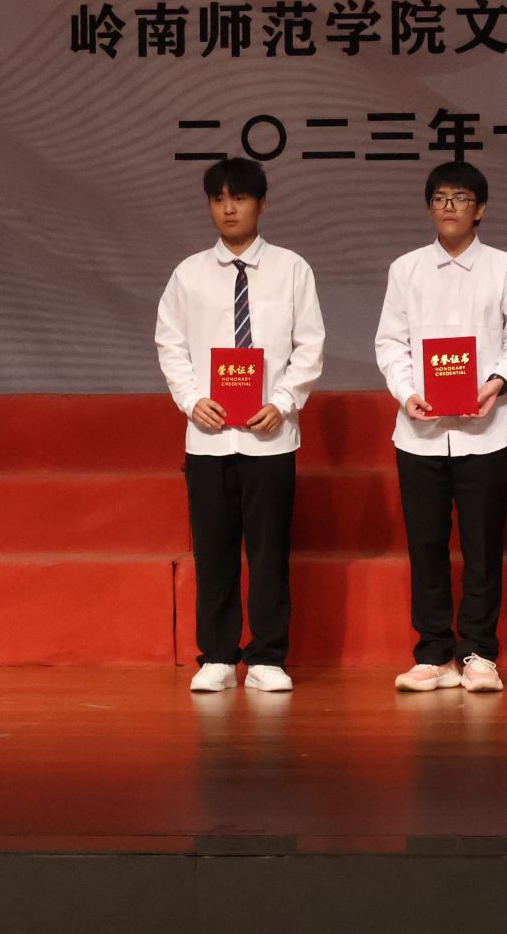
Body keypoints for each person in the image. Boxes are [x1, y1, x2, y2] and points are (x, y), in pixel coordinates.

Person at [155, 158, 325, 692]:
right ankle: (218, 656)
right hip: (208, 437)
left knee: (269, 551)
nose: (228, 209)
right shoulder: (188, 274)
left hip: (269, 436)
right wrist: (191, 400)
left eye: (240, 198)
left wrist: (283, 401)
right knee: (214, 550)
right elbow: (170, 344)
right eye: (218, 199)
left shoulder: (292, 269)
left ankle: (269, 656)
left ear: (261, 204)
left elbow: (310, 346)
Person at [373, 161, 507, 693]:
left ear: (480, 209)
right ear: (429, 207)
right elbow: (390, 342)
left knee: (482, 546)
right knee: (426, 545)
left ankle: (480, 653)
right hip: (418, 432)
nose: (449, 207)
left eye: (461, 198)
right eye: (440, 198)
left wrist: (496, 382)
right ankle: (434, 654)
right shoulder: (406, 269)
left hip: (483, 432)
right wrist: (407, 392)